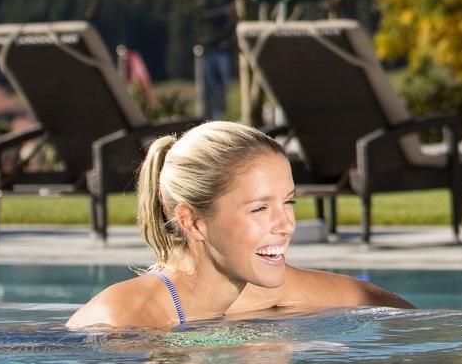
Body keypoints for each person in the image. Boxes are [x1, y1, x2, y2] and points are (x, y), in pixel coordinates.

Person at [67, 119, 411, 330]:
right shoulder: (127, 319)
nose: (286, 224)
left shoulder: (262, 289)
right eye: (260, 208)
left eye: (288, 201)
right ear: (193, 222)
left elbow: (382, 306)